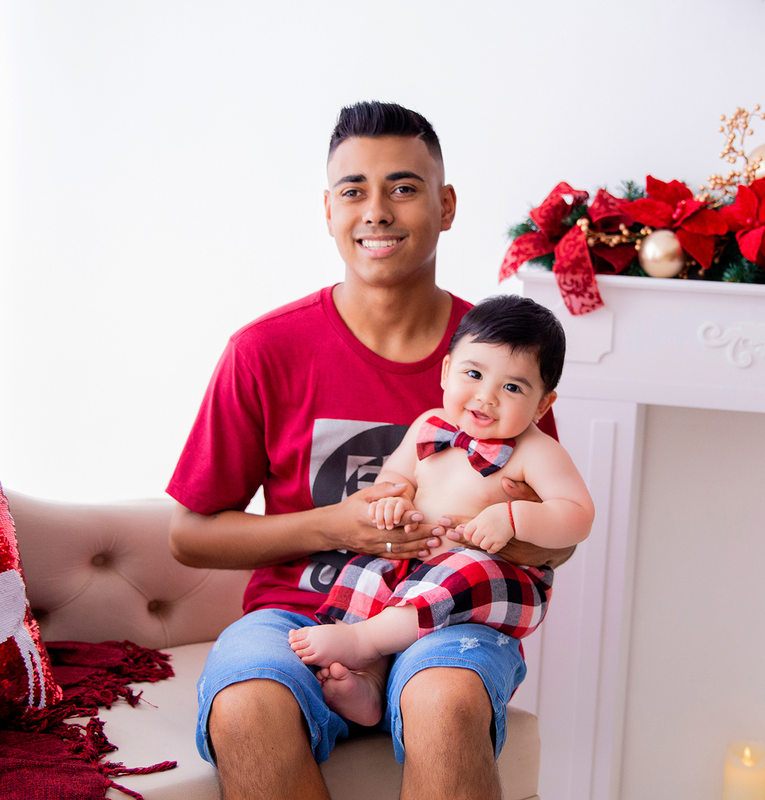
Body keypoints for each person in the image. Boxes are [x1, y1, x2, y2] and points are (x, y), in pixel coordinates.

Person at [166, 101, 574, 800]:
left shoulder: (499, 360)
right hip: (300, 612)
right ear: (328, 211)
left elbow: (556, 539)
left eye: (404, 188)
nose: (377, 211)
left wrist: (498, 528)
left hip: (445, 616)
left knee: (444, 704)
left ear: (445, 206)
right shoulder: (264, 352)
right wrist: (338, 526)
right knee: (245, 707)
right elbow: (189, 535)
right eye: (354, 191)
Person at [288, 295, 593, 727]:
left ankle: (362, 640)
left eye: (512, 387)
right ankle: (369, 685)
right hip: (414, 572)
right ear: (447, 371)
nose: (486, 398)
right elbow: (395, 477)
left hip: (496, 583)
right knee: (368, 572)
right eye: (473, 374)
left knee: (467, 565)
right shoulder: (430, 425)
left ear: (543, 405)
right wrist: (394, 498)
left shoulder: (537, 452)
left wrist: (511, 519)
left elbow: (578, 514)